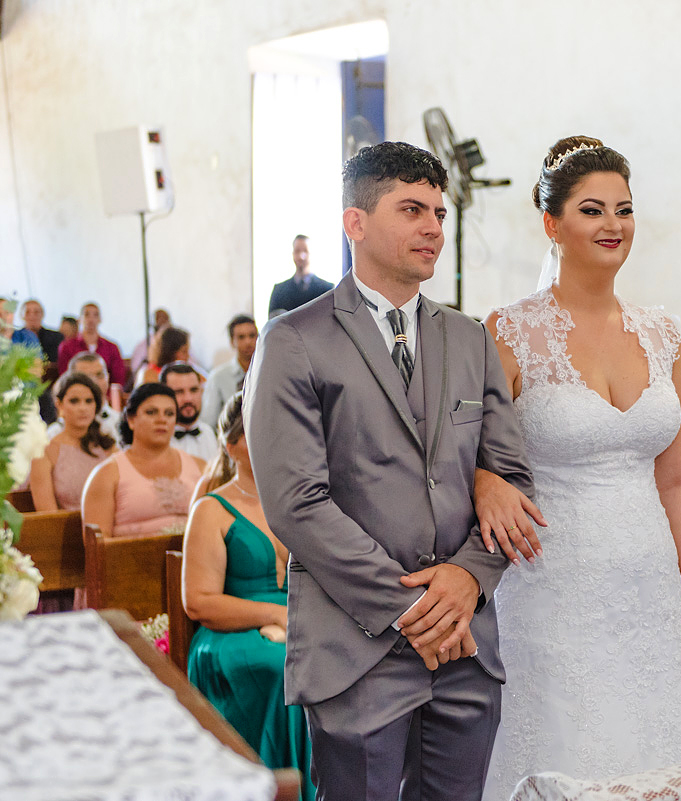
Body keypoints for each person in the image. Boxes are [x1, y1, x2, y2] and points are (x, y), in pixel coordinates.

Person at [244, 140, 535, 801]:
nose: (433, 227)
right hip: (357, 645)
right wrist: (414, 608)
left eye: (438, 212)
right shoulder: (294, 340)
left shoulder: (470, 338)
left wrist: (469, 577)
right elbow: (296, 502)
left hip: (464, 643)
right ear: (355, 222)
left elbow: (511, 479)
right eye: (411, 209)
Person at [480, 136, 681, 799]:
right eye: (592, 210)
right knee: (566, 743)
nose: (613, 224)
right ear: (552, 224)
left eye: (624, 209)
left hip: (650, 587)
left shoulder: (664, 335)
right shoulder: (508, 333)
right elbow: (464, 451)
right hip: (551, 586)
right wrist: (483, 479)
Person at [182, 393, 314, 800]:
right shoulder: (212, 509)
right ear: (231, 444)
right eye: (260, 428)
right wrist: (274, 614)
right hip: (230, 631)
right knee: (280, 667)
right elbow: (199, 602)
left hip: (301, 622)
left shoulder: (304, 500)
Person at [82, 383, 206, 539]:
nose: (162, 419)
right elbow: (98, 544)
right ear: (131, 420)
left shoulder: (200, 467)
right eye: (151, 412)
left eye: (169, 413)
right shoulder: (106, 474)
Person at [29, 373, 119, 512]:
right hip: (66, 524)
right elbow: (47, 514)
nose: (83, 408)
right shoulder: (45, 452)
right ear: (59, 404)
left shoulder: (108, 446)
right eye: (74, 401)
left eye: (89, 401)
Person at [46, 352, 121, 443]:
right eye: (86, 377)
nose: (95, 382)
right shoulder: (55, 432)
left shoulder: (119, 422)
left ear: (108, 376)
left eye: (99, 375)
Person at [201, 314, 257, 429]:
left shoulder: (266, 374)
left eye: (252, 336)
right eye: (241, 337)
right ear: (232, 342)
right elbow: (209, 421)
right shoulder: (218, 377)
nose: (248, 342)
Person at [57, 302, 127, 388]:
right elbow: (65, 377)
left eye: (95, 315)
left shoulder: (112, 348)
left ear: (100, 319)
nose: (91, 319)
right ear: (80, 319)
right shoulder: (67, 346)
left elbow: (117, 381)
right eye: (87, 315)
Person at [161, 362, 219, 462]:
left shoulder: (208, 433)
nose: (188, 399)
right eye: (179, 392)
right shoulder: (155, 437)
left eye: (193, 390)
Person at [19, 299, 65, 424]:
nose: (32, 316)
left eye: (36, 312)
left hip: (49, 387)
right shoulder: (16, 338)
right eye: (28, 312)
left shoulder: (56, 337)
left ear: (42, 314)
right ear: (22, 315)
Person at [267, 235, 334, 317]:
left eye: (305, 251)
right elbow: (272, 321)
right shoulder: (279, 290)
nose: (301, 256)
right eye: (297, 251)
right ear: (293, 254)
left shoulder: (327, 290)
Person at [129, 307, 172, 377]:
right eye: (159, 318)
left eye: (165, 318)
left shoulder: (177, 343)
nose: (163, 321)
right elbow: (137, 370)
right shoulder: (143, 345)